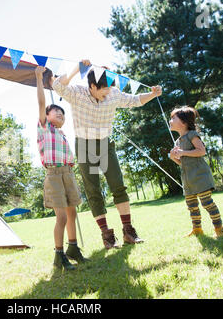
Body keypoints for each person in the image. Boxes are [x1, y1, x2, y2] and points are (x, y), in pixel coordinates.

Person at [51, 59, 162, 249]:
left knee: (118, 186)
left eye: (110, 89)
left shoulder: (113, 94)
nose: (108, 93)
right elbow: (57, 85)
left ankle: (128, 231)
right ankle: (107, 236)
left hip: (105, 144)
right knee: (93, 191)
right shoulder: (77, 93)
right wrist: (77, 68)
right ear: (92, 86)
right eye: (104, 89)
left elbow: (135, 101)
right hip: (84, 146)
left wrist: (152, 94)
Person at [35, 66, 89, 271]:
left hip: (67, 173)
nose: (60, 115)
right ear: (47, 115)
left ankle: (73, 248)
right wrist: (39, 79)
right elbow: (41, 102)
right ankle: (59, 255)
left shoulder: (62, 134)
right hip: (54, 175)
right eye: (56, 111)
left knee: (72, 213)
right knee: (62, 217)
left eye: (63, 114)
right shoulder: (44, 128)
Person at [168, 106, 223, 238]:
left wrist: (183, 152)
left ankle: (219, 228)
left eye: (173, 118)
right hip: (188, 180)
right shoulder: (178, 141)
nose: (170, 120)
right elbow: (183, 161)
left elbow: (201, 151)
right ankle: (197, 229)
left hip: (200, 176)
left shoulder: (192, 135)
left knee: (207, 203)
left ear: (183, 122)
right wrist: (174, 158)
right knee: (192, 206)